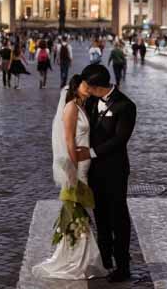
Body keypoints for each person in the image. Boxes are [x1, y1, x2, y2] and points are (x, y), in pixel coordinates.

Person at [33, 75, 107, 280]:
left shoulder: (81, 106)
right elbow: (68, 140)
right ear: (76, 87)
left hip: (84, 165)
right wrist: (73, 168)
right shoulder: (71, 107)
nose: (89, 87)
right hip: (77, 167)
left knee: (78, 210)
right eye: (85, 84)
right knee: (77, 210)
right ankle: (76, 260)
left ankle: (79, 257)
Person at [74, 64, 137, 283]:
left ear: (96, 86)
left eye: (87, 86)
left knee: (118, 217)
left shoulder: (125, 105)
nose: (86, 89)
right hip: (94, 171)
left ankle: (123, 266)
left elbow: (120, 139)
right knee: (100, 216)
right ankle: (105, 261)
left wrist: (91, 152)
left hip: (115, 170)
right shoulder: (92, 101)